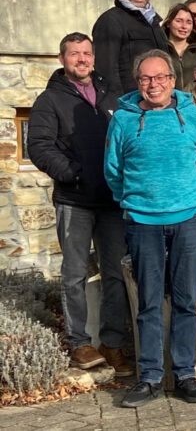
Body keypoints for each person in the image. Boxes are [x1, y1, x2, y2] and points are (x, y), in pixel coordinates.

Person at [103, 50, 196, 408]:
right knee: (148, 302)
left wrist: (190, 198)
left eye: (160, 77)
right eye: (146, 79)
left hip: (187, 220)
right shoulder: (122, 119)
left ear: (172, 80)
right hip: (142, 221)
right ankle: (150, 377)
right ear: (138, 83)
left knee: (187, 300)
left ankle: (185, 374)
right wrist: (136, 202)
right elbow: (113, 172)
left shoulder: (193, 115)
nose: (153, 85)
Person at [27, 33, 132, 377]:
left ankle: (113, 342)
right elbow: (40, 147)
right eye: (75, 54)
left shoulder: (112, 97)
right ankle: (79, 343)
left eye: (87, 52)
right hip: (75, 201)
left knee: (115, 273)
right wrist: (73, 174)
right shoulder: (50, 100)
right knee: (74, 274)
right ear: (63, 59)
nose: (82, 59)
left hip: (112, 202)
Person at [92, 0, 170, 98]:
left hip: (158, 101)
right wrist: (118, 108)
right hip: (131, 104)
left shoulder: (154, 22)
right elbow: (106, 72)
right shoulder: (111, 20)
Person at [162, 4, 196, 91]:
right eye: (179, 21)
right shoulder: (158, 50)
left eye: (189, 22)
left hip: (193, 102)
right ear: (169, 23)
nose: (184, 26)